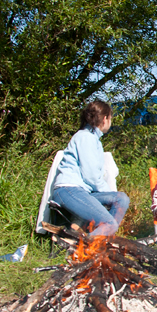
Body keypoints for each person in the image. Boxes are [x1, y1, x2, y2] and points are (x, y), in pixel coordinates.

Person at [51, 101, 130, 238]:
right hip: (69, 190)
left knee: (121, 198)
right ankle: (86, 246)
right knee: (110, 223)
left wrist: (111, 195)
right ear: (105, 119)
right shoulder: (85, 137)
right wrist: (108, 192)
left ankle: (101, 237)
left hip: (83, 192)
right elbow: (91, 176)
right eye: (110, 118)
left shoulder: (94, 139)